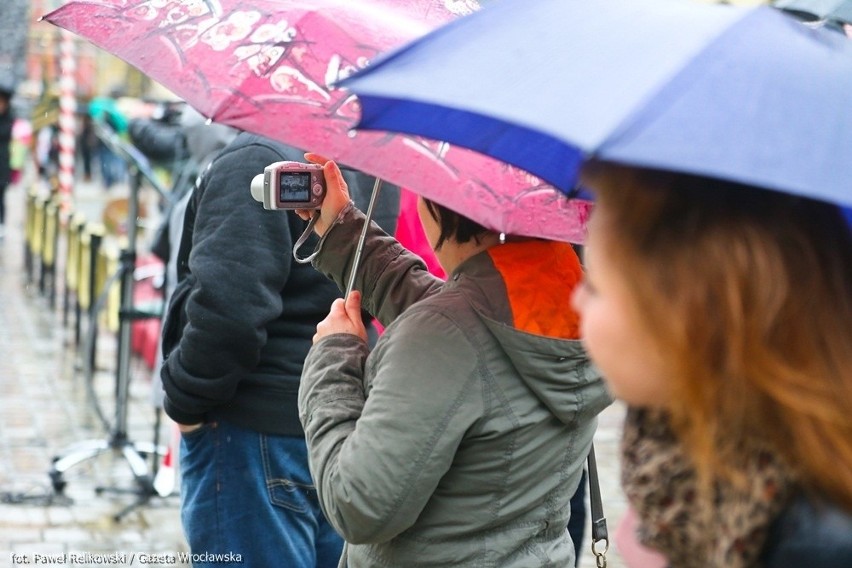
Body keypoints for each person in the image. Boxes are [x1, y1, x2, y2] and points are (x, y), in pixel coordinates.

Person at [296, 155, 611, 567]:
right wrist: (343, 229)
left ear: (440, 203)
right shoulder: (578, 304)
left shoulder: (445, 338)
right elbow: (469, 330)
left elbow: (357, 505)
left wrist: (334, 358)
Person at [571, 163, 852, 567]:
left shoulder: (818, 541)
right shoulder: (673, 457)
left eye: (594, 285)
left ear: (688, 314)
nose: (575, 302)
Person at [159, 132, 397, 566]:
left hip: (252, 431)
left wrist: (184, 404)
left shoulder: (255, 159)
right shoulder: (371, 159)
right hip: (338, 417)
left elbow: (228, 311)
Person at [0, 89, 13, 237]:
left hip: (2, 164)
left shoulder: (8, 118)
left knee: (1, 196)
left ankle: (2, 223)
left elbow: (6, 133)